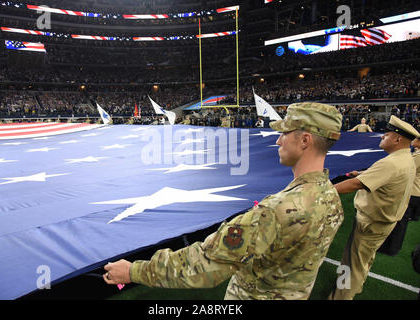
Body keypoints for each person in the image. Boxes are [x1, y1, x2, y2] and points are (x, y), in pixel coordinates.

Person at [102, 102, 344, 300]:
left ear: (305, 141)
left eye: (285, 133)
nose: (279, 140)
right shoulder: (331, 196)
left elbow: (206, 263)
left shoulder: (275, 211)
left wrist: (133, 271)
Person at [329, 115, 420, 300]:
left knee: (351, 262)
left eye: (386, 135)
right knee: (364, 259)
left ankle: (341, 295)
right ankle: (356, 286)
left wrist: (323, 191)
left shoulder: (391, 162)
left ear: (397, 139)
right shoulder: (405, 158)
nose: (382, 137)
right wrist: (363, 173)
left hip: (371, 222)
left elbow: (355, 184)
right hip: (383, 222)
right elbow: (384, 176)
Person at [408, 136, 420, 221]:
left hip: (414, 188)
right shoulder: (417, 152)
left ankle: (413, 215)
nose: (412, 141)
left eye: (415, 139)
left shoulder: (418, 155)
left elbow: (410, 168)